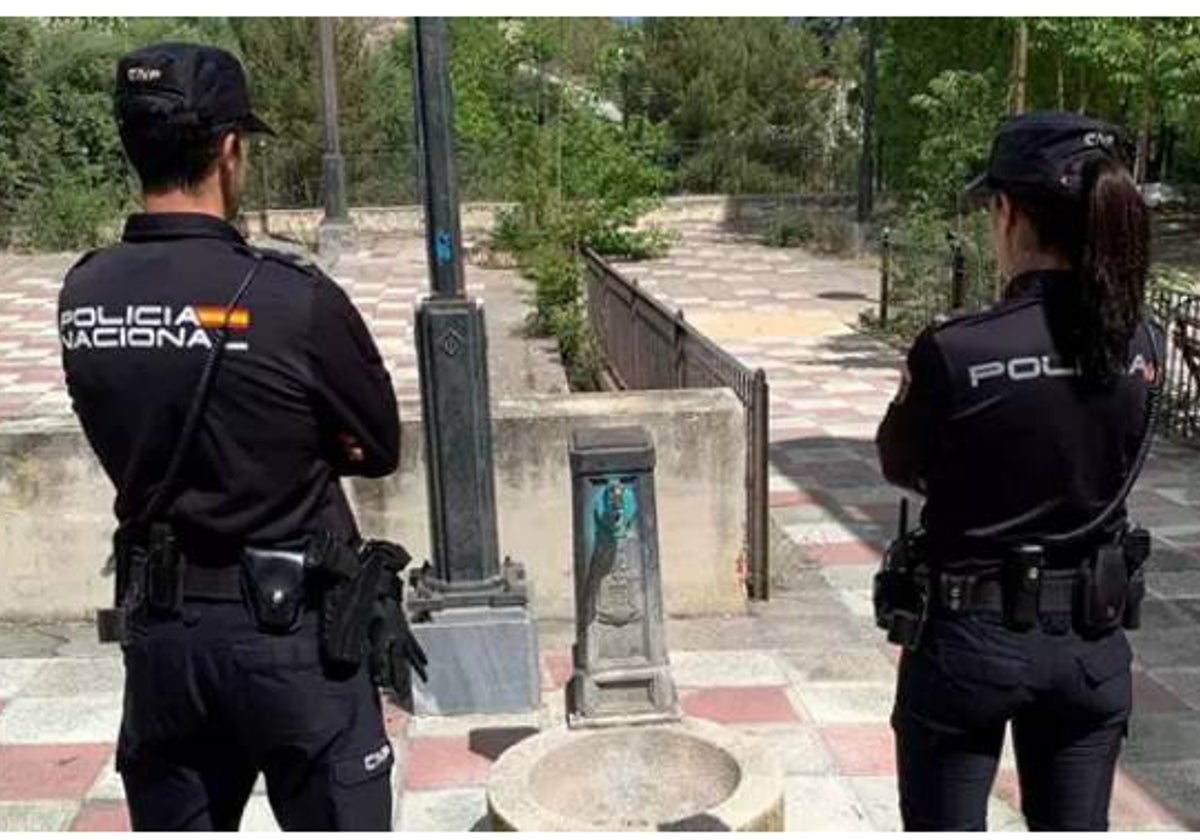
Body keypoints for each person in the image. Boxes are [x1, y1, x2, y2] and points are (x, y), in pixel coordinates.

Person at [58, 43, 415, 830]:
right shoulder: (293, 302)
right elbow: (378, 448)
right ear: (229, 150)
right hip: (295, 645)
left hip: (164, 642)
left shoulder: (84, 294)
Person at [875, 112, 1161, 831]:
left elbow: (901, 464)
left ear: (1010, 214)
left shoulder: (957, 350)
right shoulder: (1142, 344)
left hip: (968, 647)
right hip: (1091, 648)